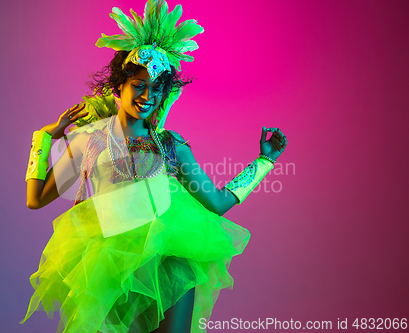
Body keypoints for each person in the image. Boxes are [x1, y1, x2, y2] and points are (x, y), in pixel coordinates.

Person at [20, 1, 287, 332]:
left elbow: (216, 202)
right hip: (111, 266)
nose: (147, 95)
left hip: (170, 263)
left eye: (156, 89)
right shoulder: (87, 141)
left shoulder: (170, 145)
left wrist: (264, 162)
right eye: (139, 84)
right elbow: (36, 199)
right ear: (120, 85)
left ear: (164, 95)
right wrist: (44, 138)